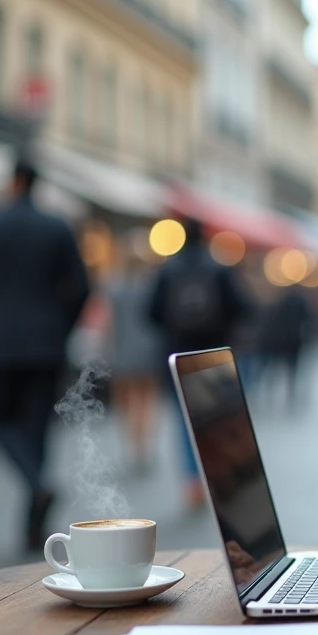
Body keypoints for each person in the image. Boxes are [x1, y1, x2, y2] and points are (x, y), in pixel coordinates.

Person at [0, 155, 90, 550]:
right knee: (35, 430)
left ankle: (37, 491)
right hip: (47, 344)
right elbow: (83, 287)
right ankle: (33, 524)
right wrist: (61, 326)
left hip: (2, 341)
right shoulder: (57, 227)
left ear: (14, 180)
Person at [148, 217, 250, 508]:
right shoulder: (219, 268)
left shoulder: (167, 269)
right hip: (214, 355)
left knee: (184, 420)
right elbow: (242, 308)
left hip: (176, 355)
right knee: (216, 419)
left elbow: (151, 312)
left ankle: (193, 481)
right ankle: (218, 478)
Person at [107, 246, 161, 473]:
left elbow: (109, 325)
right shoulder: (151, 288)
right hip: (149, 351)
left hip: (122, 351)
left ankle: (132, 445)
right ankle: (143, 447)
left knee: (126, 404)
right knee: (147, 401)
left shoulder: (114, 288)